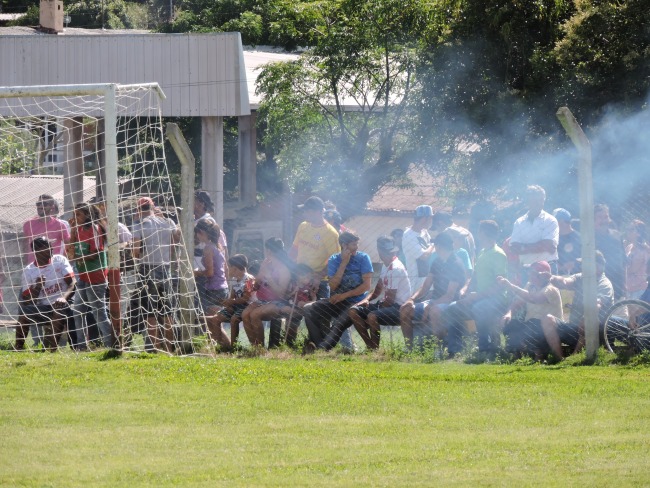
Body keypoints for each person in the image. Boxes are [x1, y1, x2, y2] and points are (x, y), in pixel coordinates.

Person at [290, 196, 355, 347]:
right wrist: (290, 270)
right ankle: (303, 343)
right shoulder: (303, 226)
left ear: (318, 212)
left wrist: (318, 277)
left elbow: (335, 260)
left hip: (320, 282)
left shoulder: (331, 233)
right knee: (295, 313)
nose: (304, 213)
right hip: (300, 278)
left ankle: (325, 345)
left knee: (320, 314)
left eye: (307, 210)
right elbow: (294, 249)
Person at [443, 220, 509, 355]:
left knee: (478, 308)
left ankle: (484, 347)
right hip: (481, 297)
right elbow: (474, 275)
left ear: (482, 233)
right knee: (452, 308)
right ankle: (455, 349)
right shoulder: (483, 252)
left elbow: (499, 286)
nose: (477, 234)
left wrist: (476, 296)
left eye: (479, 231)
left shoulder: (498, 254)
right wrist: (465, 289)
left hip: (497, 300)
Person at [303, 231, 373, 350]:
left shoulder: (363, 258)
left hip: (356, 303)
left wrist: (344, 296)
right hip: (337, 302)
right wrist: (344, 263)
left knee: (338, 323)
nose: (356, 248)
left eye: (357, 244)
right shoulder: (334, 260)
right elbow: (333, 286)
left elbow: (366, 286)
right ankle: (317, 344)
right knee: (308, 308)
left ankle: (321, 349)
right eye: (353, 245)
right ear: (344, 245)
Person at [340, 236, 411, 350]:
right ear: (380, 252)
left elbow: (390, 300)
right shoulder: (385, 265)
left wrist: (374, 309)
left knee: (372, 316)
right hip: (386, 304)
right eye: (387, 252)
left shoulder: (396, 268)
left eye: (391, 252)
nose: (389, 254)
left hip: (398, 307)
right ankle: (370, 346)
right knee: (353, 311)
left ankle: (375, 349)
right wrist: (365, 300)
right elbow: (377, 290)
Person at [540, 251, 614, 358]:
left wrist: (586, 316)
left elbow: (596, 306)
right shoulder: (581, 277)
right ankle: (560, 358)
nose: (581, 266)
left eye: (584, 264)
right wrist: (552, 278)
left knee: (588, 318)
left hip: (594, 334)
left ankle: (574, 358)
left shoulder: (604, 284)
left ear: (596, 266)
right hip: (574, 328)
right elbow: (565, 282)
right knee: (547, 319)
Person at [400, 232, 466, 348]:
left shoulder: (456, 264)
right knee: (405, 309)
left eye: (435, 245)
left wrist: (431, 306)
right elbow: (425, 286)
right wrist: (411, 299)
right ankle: (409, 348)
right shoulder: (437, 262)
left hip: (450, 302)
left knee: (435, 311)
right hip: (434, 301)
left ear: (439, 246)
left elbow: (450, 296)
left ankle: (438, 349)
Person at [131, 196, 181, 353]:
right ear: (153, 207)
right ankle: (169, 347)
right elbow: (175, 244)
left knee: (149, 312)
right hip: (165, 268)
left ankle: (152, 348)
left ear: (139, 209)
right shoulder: (168, 222)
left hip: (147, 269)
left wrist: (138, 255)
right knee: (167, 311)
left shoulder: (139, 224)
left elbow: (136, 251)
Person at [15, 236, 76, 351]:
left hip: (65, 303)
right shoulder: (29, 271)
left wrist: (63, 298)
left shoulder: (59, 260)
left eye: (50, 246)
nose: (51, 248)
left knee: (58, 311)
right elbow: (28, 301)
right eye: (47, 247)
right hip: (44, 307)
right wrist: (38, 287)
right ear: (37, 252)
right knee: (24, 315)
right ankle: (18, 348)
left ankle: (51, 350)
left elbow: (73, 283)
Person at [68, 202, 114, 350]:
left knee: (99, 313)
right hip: (82, 276)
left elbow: (97, 252)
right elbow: (70, 251)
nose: (75, 217)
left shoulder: (95, 228)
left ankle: (112, 345)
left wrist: (80, 258)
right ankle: (82, 346)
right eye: (74, 214)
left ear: (87, 215)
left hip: (95, 276)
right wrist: (73, 230)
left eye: (78, 214)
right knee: (78, 311)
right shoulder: (79, 229)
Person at [498, 261, 563, 358]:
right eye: (529, 272)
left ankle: (539, 355)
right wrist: (509, 313)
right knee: (512, 323)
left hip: (548, 329)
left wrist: (510, 286)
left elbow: (534, 299)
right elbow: (517, 303)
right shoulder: (530, 285)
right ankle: (518, 353)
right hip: (531, 326)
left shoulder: (551, 288)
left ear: (541, 275)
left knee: (533, 323)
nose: (529, 274)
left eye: (532, 272)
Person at [241, 237, 293, 347]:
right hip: (262, 300)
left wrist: (269, 277)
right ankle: (254, 347)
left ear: (269, 250)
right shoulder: (266, 263)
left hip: (278, 302)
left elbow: (281, 294)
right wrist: (257, 280)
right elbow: (257, 283)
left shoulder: (283, 269)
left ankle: (260, 348)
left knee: (255, 315)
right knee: (245, 314)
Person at [206, 254, 255, 349]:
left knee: (234, 319)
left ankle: (234, 346)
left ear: (235, 268)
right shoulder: (233, 280)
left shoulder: (249, 279)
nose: (228, 269)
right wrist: (229, 304)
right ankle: (219, 346)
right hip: (236, 305)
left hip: (247, 306)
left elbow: (246, 298)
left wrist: (232, 302)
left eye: (230, 267)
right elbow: (232, 296)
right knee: (215, 319)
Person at [509, 185, 559, 278]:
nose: (538, 203)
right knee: (527, 293)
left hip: (547, 267)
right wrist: (540, 245)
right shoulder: (519, 222)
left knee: (549, 292)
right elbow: (514, 248)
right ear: (527, 202)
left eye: (541, 200)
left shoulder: (550, 220)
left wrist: (523, 248)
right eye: (534, 201)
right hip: (527, 269)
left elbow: (549, 246)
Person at [22, 194, 71, 269]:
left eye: (44, 204)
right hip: (33, 267)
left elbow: (69, 245)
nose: (40, 206)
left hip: (53, 267)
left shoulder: (60, 225)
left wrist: (63, 261)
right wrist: (25, 261)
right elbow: (25, 243)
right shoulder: (28, 224)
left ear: (52, 207)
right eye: (38, 204)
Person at [277, 263, 318, 348]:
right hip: (293, 306)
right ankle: (289, 343)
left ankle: (311, 342)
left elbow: (314, 299)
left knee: (302, 306)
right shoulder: (292, 284)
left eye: (309, 277)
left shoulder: (310, 286)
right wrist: (293, 291)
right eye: (305, 277)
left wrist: (308, 303)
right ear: (298, 276)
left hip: (305, 307)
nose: (308, 279)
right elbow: (286, 297)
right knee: (291, 324)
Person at [194, 219, 229, 314]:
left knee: (212, 322)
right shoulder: (218, 246)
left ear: (200, 232)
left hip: (214, 290)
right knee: (216, 324)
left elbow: (210, 272)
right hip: (223, 288)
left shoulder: (208, 248)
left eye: (197, 233)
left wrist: (195, 273)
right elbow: (225, 268)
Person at [594, 203, 626, 300]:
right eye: (600, 217)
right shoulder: (588, 239)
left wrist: (624, 283)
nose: (604, 220)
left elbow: (624, 262)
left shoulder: (617, 235)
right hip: (598, 287)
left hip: (617, 286)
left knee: (620, 314)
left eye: (606, 217)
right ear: (592, 220)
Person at [194, 189, 228, 276]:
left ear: (200, 204)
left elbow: (196, 240)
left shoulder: (207, 221)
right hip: (195, 261)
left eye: (192, 201)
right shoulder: (193, 220)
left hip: (202, 263)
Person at [402, 205, 435, 292]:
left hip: (427, 280)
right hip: (416, 283)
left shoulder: (424, 232)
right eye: (431, 218)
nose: (432, 221)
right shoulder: (408, 235)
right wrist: (434, 244)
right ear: (425, 218)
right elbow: (424, 256)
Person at [624, 219, 649, 300]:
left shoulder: (643, 250)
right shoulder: (629, 247)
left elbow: (631, 270)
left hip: (640, 289)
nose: (628, 231)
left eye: (631, 230)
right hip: (629, 288)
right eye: (627, 229)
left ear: (639, 233)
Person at [554, 208, 581, 276]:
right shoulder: (553, 238)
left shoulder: (578, 238)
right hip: (557, 276)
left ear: (561, 222)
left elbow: (586, 257)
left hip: (576, 276)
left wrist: (575, 263)